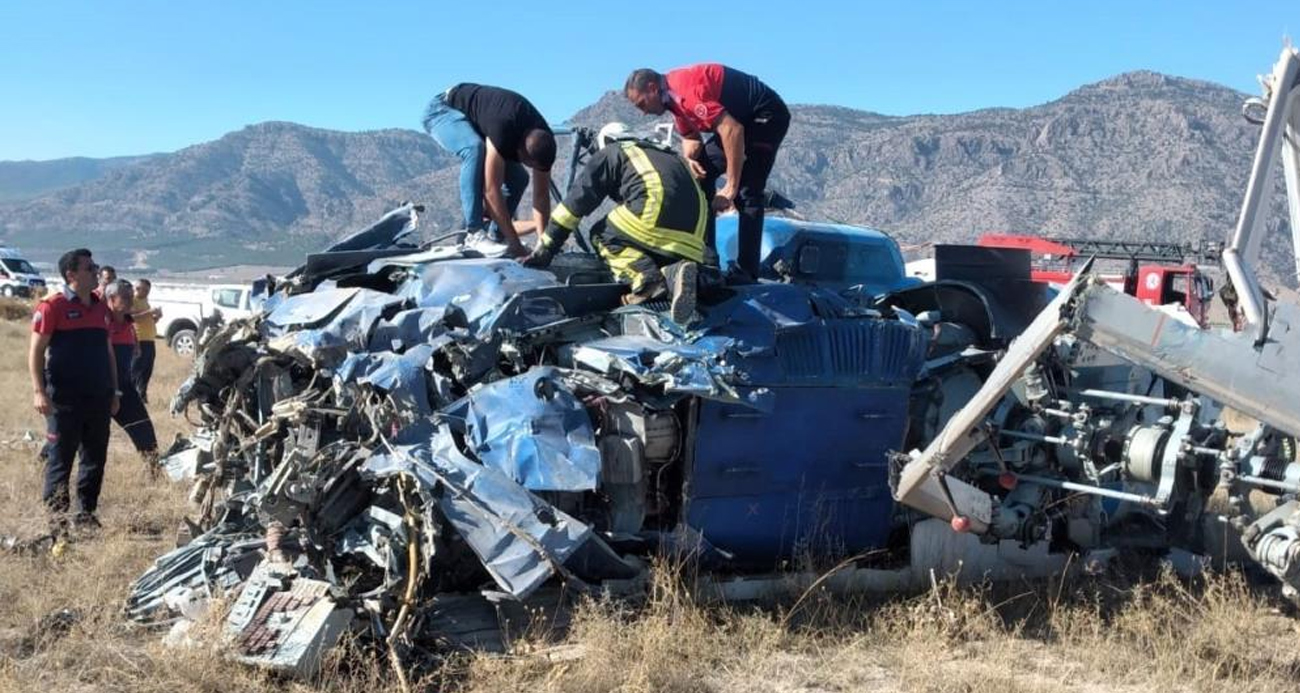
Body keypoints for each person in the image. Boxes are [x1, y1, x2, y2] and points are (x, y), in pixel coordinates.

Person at [524, 123, 704, 325]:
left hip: (655, 216)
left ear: (607, 141)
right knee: (641, 237)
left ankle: (646, 279)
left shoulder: (612, 152)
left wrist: (546, 248)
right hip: (695, 237)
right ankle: (675, 274)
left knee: (602, 233)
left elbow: (573, 206)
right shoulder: (669, 155)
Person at [624, 64, 790, 279]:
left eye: (642, 104)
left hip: (766, 116)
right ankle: (708, 261)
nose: (644, 112)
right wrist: (690, 161)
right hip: (740, 120)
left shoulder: (686, 93)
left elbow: (733, 130)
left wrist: (730, 187)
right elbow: (691, 139)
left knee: (747, 193)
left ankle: (747, 272)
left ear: (652, 88)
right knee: (700, 177)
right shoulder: (672, 102)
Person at [29, 249, 120, 531]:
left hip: (98, 397)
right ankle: (57, 526)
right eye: (89, 268)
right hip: (64, 400)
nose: (96, 272)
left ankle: (86, 515)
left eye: (95, 267)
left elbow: (108, 352)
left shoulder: (100, 307)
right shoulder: (52, 306)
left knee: (94, 459)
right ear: (71, 274)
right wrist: (39, 391)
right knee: (60, 461)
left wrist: (115, 391)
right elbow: (36, 351)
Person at [422, 83, 556, 258]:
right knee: (474, 149)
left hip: (483, 123)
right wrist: (516, 245)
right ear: (520, 151)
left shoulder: (543, 141)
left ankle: (497, 236)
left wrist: (543, 245)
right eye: (528, 164)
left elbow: (541, 195)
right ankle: (474, 233)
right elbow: (491, 191)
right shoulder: (502, 129)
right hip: (442, 110)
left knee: (519, 178)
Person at [104, 280, 160, 475]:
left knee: (144, 430)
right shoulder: (101, 322)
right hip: (100, 389)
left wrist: (135, 344)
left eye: (131, 296)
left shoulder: (129, 322)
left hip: (125, 387)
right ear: (111, 299)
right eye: (126, 297)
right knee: (75, 435)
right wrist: (113, 393)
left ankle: (154, 471)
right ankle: (45, 459)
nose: (130, 301)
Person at [130, 278, 161, 404]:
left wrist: (156, 317)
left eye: (148, 290)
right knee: (136, 369)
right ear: (136, 288)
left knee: (147, 369)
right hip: (139, 339)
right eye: (143, 289)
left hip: (149, 340)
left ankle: (142, 395)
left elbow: (147, 319)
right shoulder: (132, 300)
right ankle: (132, 396)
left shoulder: (145, 301)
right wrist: (149, 312)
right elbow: (131, 317)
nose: (145, 292)